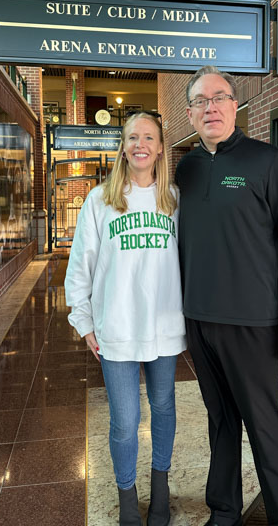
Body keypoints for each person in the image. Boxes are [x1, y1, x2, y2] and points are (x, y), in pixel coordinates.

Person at [175, 66, 278, 526]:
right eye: (201, 100)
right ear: (190, 113)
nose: (211, 107)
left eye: (220, 97)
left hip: (252, 323)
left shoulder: (267, 161)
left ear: (236, 105)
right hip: (199, 320)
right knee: (220, 421)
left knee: (265, 426)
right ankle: (224, 512)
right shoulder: (185, 169)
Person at [65, 112, 186, 526]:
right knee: (125, 422)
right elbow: (81, 265)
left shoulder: (173, 198)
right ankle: (127, 499)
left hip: (165, 326)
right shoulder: (100, 200)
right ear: (123, 145)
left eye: (148, 138)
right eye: (133, 137)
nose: (140, 144)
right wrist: (84, 322)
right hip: (116, 327)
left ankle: (161, 491)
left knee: (165, 407)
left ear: (159, 147)